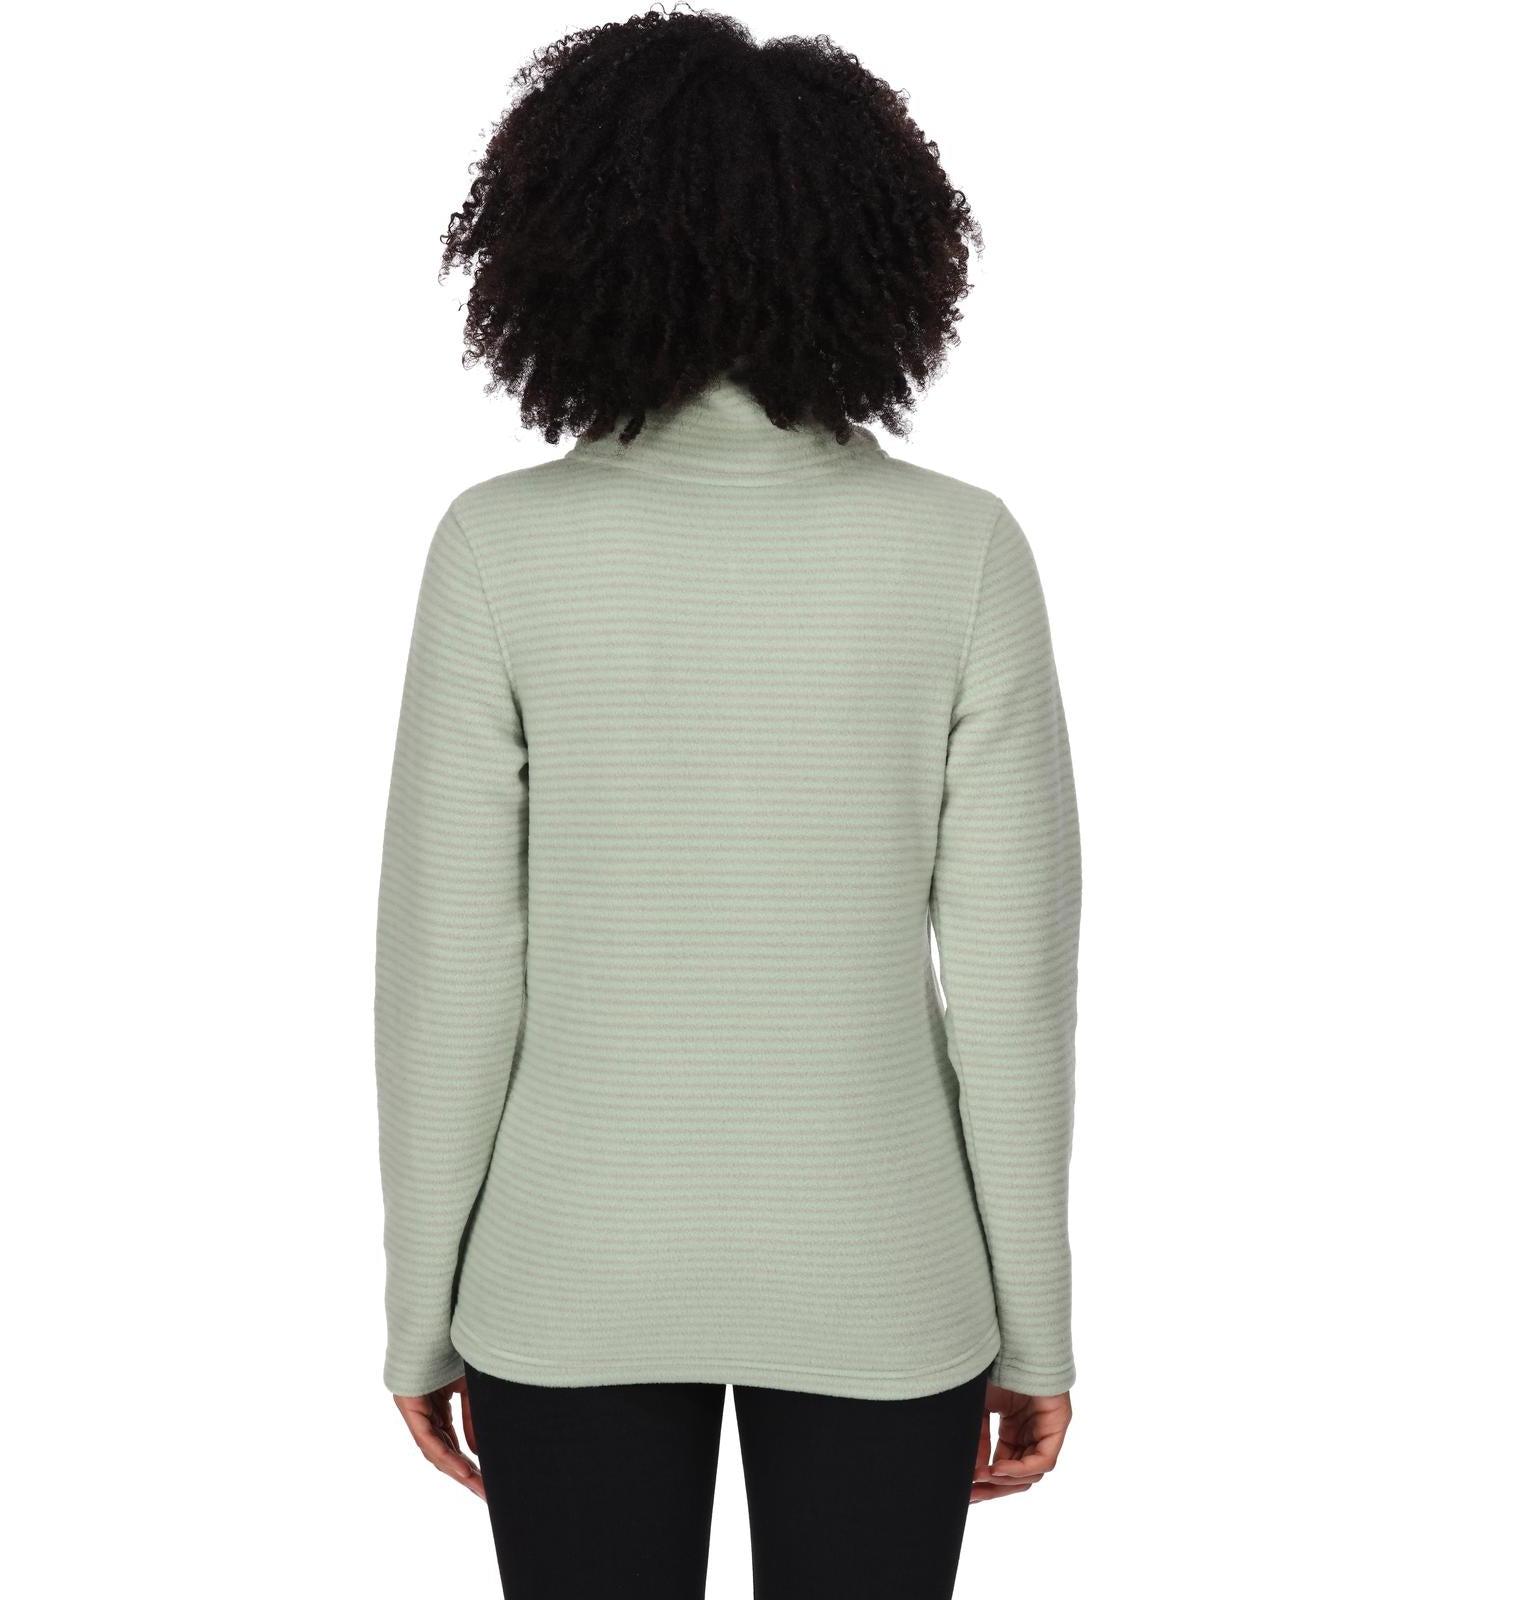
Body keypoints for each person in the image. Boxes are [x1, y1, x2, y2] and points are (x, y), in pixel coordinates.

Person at [373, 10, 1082, 1598]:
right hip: (887, 1275)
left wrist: (423, 1308)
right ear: (881, 253)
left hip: (567, 1272)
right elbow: (1012, 995)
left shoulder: (497, 548)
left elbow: (450, 982)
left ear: (558, 245)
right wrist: (1033, 1324)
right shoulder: (962, 550)